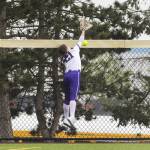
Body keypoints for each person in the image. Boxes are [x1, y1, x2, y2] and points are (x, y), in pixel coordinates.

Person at [58, 29, 85, 131]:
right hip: (74, 74)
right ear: (67, 49)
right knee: (73, 97)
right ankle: (71, 117)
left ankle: (65, 119)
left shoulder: (63, 58)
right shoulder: (74, 50)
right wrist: (83, 30)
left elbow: (64, 50)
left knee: (67, 98)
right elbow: (81, 39)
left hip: (66, 76)